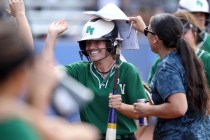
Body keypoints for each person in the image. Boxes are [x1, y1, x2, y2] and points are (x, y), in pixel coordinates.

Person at [43, 18, 147, 140]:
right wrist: (52, 36)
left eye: (97, 42)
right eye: (88, 42)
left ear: (111, 43)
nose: (91, 47)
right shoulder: (79, 70)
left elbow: (143, 115)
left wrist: (121, 106)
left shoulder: (128, 70)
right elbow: (46, 73)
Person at [130, 13, 210, 139]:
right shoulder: (184, 56)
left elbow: (178, 107)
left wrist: (147, 109)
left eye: (149, 31)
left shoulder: (167, 66)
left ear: (156, 38)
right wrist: (147, 30)